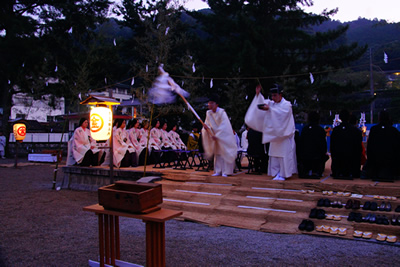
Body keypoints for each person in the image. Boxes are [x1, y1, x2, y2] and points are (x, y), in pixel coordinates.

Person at [245, 84, 297, 181]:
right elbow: (262, 103)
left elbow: (282, 114)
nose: (273, 98)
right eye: (272, 96)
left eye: (275, 95)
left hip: (284, 135)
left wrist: (270, 109)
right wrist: (258, 95)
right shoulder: (272, 103)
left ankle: (284, 174)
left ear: (280, 95)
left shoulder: (287, 105)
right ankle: (277, 173)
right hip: (274, 135)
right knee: (274, 155)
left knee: (283, 155)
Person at [202, 94, 237, 177]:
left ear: (216, 104)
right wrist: (206, 128)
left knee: (225, 153)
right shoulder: (208, 113)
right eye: (209, 103)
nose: (209, 105)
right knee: (217, 154)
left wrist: (218, 135)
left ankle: (226, 171)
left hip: (224, 136)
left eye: (211, 103)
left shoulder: (222, 112)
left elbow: (225, 126)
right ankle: (218, 170)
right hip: (214, 136)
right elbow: (207, 123)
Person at [364, 110, 400, 181]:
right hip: (390, 167)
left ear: (379, 118)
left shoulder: (374, 130)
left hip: (376, 167)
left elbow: (369, 148)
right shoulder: (394, 131)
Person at [330, 109, 362, 179]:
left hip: (338, 165)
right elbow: (358, 150)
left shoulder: (336, 130)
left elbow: (332, 148)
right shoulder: (356, 131)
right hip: (351, 165)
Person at [298, 111, 328, 178]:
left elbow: (300, 144)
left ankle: (307, 169)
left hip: (305, 157)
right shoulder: (320, 130)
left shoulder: (304, 129)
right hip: (316, 158)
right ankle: (316, 170)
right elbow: (323, 146)